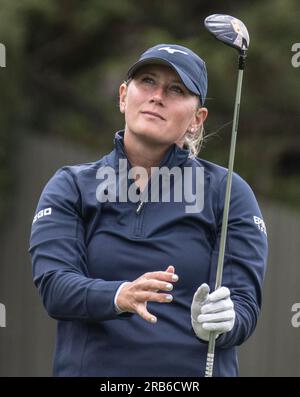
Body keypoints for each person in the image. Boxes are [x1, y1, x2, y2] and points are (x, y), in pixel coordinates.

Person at [28, 43, 268, 377]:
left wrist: (223, 321)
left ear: (197, 120)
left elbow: (243, 306)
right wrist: (118, 295)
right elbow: (55, 287)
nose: (158, 96)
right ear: (124, 96)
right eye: (148, 82)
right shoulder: (71, 186)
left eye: (176, 89)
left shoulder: (228, 192)